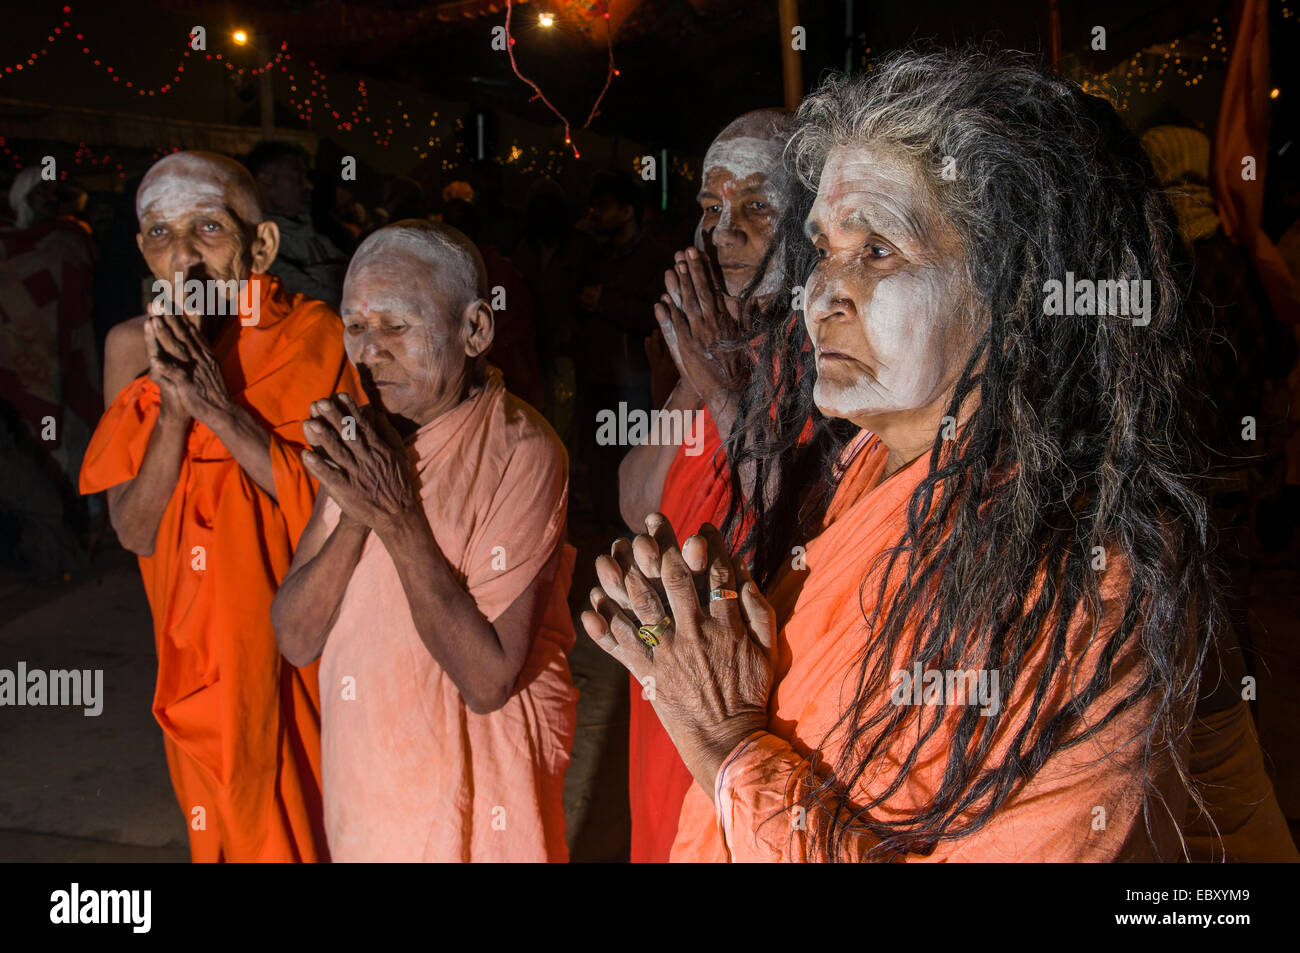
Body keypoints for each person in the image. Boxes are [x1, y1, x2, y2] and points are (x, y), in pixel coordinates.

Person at [585, 50, 1216, 861]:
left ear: (1015, 286)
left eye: (878, 251)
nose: (823, 293)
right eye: (824, 250)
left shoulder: (1085, 577)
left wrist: (727, 740)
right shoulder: (877, 463)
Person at [79, 151, 361, 861]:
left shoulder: (313, 336)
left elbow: (339, 506)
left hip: (298, 643)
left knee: (315, 820)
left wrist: (218, 406)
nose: (182, 255)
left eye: (207, 228)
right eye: (159, 234)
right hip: (194, 654)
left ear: (260, 245)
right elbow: (135, 530)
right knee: (223, 827)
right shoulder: (127, 348)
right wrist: (175, 413)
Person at [271, 221, 578, 862]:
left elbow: (487, 678)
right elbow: (296, 639)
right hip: (369, 778)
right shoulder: (359, 439)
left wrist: (396, 515)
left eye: (395, 327)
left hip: (476, 797)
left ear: (475, 330)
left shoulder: (524, 450)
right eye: (355, 326)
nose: (369, 353)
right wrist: (357, 513)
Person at [617, 108, 794, 862]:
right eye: (712, 208)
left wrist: (726, 391)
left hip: (749, 693)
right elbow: (635, 503)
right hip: (669, 662)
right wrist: (700, 377)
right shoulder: (716, 344)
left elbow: (786, 538)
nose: (725, 231)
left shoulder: (830, 360)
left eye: (757, 206)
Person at [245, 141, 347, 308]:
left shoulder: (315, 235)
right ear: (266, 180)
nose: (308, 185)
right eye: (297, 176)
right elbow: (311, 297)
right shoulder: (255, 243)